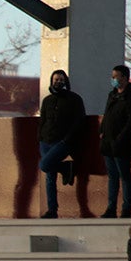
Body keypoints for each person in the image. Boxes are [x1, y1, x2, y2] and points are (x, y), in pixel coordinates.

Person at [36, 69, 86, 218]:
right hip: (46, 141)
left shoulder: (74, 99)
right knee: (50, 176)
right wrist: (40, 136)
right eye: (56, 79)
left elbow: (79, 120)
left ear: (66, 81)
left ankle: (66, 167)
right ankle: (52, 210)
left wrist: (68, 138)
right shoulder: (47, 100)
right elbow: (42, 120)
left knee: (44, 165)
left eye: (61, 79)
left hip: (63, 141)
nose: (58, 82)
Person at [99, 64, 131, 218]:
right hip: (108, 142)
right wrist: (102, 131)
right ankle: (111, 208)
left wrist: (120, 138)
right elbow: (107, 113)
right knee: (112, 176)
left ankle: (126, 208)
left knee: (124, 175)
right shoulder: (112, 95)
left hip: (122, 143)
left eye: (116, 76)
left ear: (124, 77)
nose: (113, 80)